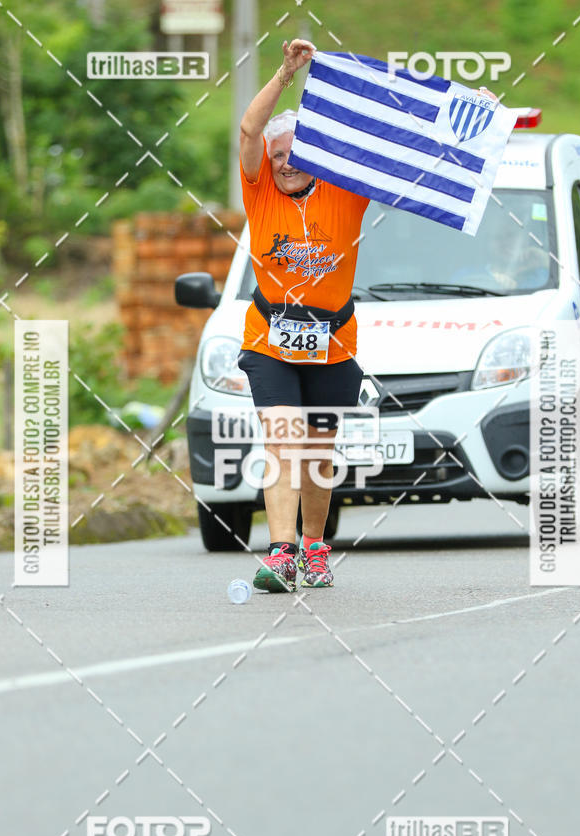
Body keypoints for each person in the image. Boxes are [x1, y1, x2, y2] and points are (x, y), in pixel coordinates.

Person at [237, 38, 370, 592]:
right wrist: (285, 75)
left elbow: (398, 153)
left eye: (293, 154)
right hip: (270, 338)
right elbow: (249, 131)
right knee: (282, 441)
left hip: (332, 340)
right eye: (277, 158)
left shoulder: (345, 190)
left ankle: (315, 550)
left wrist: (468, 116)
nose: (285, 164)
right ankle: (281, 552)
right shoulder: (261, 191)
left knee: (318, 451)